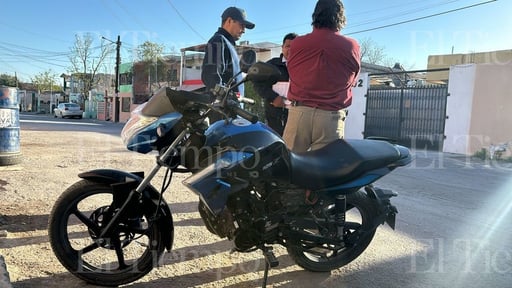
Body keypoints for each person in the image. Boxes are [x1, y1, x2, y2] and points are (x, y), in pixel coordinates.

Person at [283, 0, 360, 152]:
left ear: (315, 15)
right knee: (326, 172)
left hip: (299, 114)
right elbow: (352, 79)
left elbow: (292, 72)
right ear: (340, 17)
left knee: (290, 169)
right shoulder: (351, 46)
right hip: (331, 118)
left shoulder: (298, 43)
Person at [201, 6, 255, 124]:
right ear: (229, 21)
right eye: (242, 25)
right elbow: (211, 76)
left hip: (232, 111)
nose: (244, 30)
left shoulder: (227, 43)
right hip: (224, 113)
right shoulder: (218, 41)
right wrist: (227, 99)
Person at [253, 33, 297, 136]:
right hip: (275, 117)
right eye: (287, 46)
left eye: (294, 47)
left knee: (294, 149)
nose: (290, 49)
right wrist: (273, 97)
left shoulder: (304, 67)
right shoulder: (272, 65)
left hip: (298, 116)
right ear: (282, 48)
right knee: (277, 146)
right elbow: (256, 82)